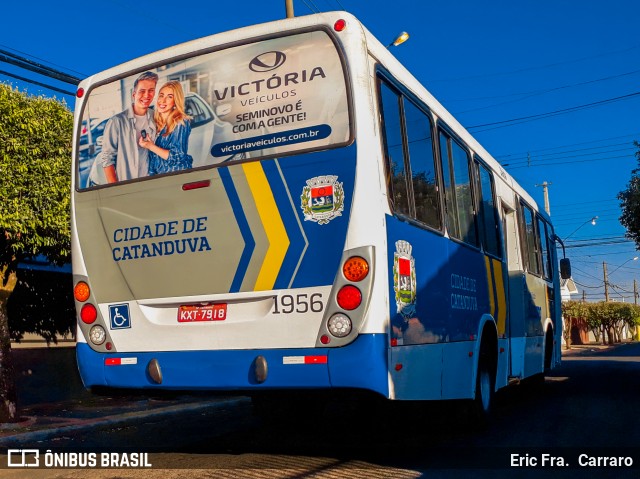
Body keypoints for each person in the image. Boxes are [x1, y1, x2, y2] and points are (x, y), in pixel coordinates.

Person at [99, 71, 158, 183]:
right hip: (127, 187)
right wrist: (116, 190)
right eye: (142, 91)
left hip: (151, 184)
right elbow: (107, 158)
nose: (146, 95)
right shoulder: (116, 122)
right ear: (134, 94)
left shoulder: (156, 118)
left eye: (151, 91)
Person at [139, 81, 193, 175]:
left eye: (169, 97)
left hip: (178, 176)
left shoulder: (180, 122)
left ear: (175, 101)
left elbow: (177, 157)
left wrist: (151, 146)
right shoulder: (154, 123)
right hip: (160, 178)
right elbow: (154, 159)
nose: (163, 101)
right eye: (161, 95)